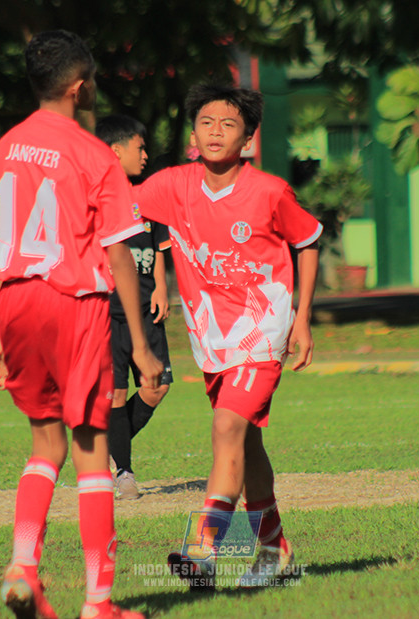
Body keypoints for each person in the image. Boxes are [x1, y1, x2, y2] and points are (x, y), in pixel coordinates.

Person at [0, 30, 160, 619]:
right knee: (91, 450)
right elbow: (118, 255)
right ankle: (100, 604)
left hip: (15, 303)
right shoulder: (93, 155)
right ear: (80, 87)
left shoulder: (4, 148)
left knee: (44, 443)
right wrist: (139, 343)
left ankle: (22, 567)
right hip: (73, 303)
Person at [131, 84, 321, 589]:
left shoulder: (270, 192)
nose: (216, 132)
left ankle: (204, 551)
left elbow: (308, 240)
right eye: (207, 122)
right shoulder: (172, 186)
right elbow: (115, 213)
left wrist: (301, 318)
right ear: (193, 132)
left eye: (229, 124)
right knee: (247, 442)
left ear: (249, 139)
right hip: (212, 340)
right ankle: (275, 553)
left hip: (263, 332)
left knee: (225, 429)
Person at [95, 114, 174, 500]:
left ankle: (101, 446)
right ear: (116, 150)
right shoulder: (96, 200)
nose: (146, 155)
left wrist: (162, 286)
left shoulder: (148, 198)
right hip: (108, 313)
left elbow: (161, 249)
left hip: (146, 310)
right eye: (140, 147)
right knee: (115, 394)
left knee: (158, 387)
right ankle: (124, 472)